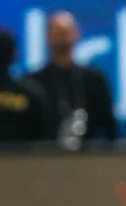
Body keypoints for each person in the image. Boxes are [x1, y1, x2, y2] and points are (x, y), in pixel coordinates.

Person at [30, 12, 117, 148]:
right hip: (44, 156)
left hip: (90, 156)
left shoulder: (94, 79)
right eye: (57, 32)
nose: (62, 36)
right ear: (47, 37)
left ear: (77, 34)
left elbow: (109, 124)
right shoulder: (33, 82)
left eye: (66, 31)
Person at [0, 30, 56, 146]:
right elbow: (47, 140)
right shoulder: (32, 94)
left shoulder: (33, 94)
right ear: (15, 54)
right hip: (25, 162)